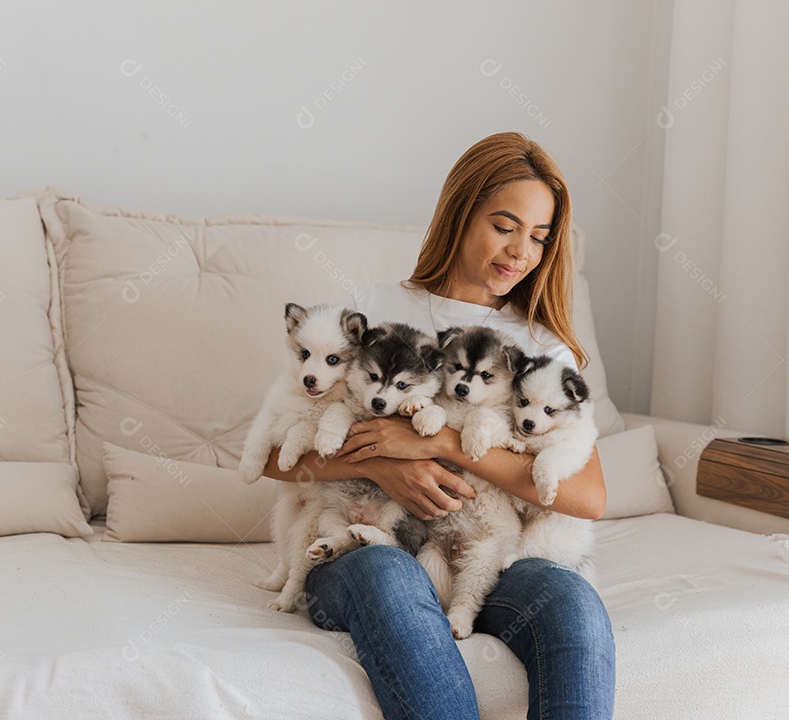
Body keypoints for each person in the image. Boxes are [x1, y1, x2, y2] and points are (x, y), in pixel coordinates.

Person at [260, 131, 616, 719]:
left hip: (485, 556)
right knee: (387, 574)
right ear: (460, 211)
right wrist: (381, 463)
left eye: (539, 237)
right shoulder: (371, 309)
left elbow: (588, 495)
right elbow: (278, 455)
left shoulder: (540, 344)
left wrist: (446, 443)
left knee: (573, 602)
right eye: (505, 226)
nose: (520, 252)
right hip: (371, 550)